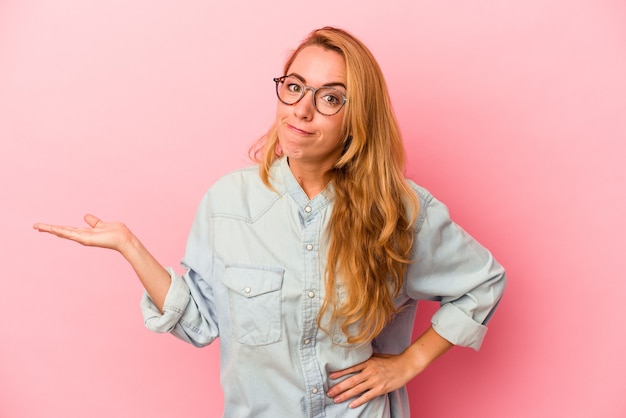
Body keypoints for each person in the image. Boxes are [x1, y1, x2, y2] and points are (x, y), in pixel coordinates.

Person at [33, 26, 506, 418]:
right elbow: (199, 323)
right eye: (295, 86)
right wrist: (129, 245)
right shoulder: (227, 203)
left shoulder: (398, 210)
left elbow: (483, 282)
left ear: (356, 116)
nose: (301, 109)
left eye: (330, 98)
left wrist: (408, 363)